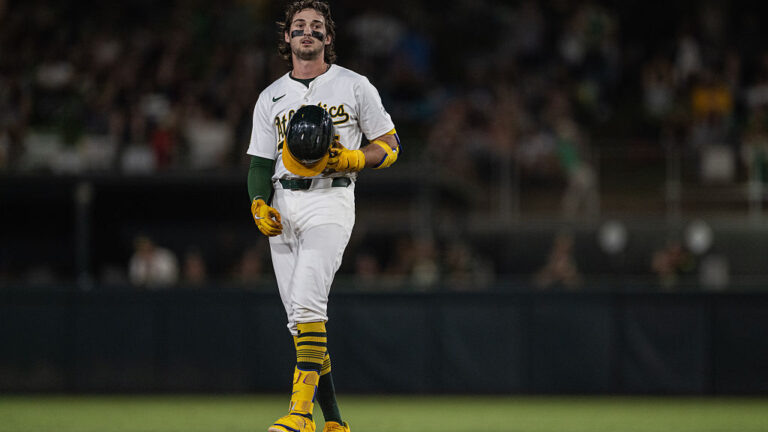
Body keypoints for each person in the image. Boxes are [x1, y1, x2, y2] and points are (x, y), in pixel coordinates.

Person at [245, 2, 400, 432]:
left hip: (331, 199)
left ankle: (299, 415)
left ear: (328, 37)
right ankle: (334, 421)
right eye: (299, 27)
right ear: (288, 39)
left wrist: (354, 156)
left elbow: (390, 143)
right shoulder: (270, 97)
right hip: (283, 203)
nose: (307, 32)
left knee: (309, 302)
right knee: (299, 321)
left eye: (316, 27)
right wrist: (259, 204)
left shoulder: (353, 85)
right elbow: (259, 164)